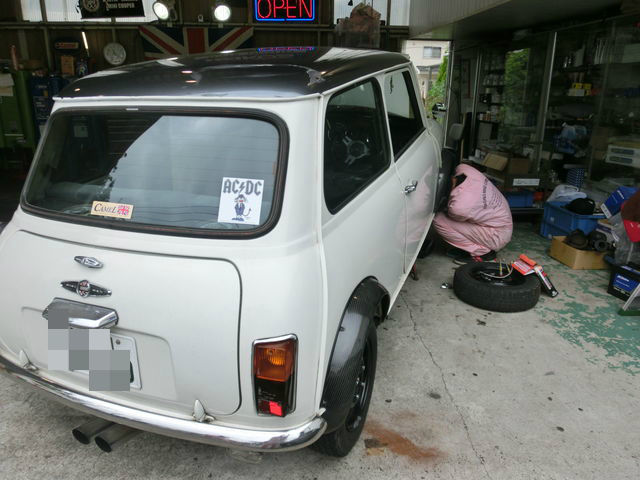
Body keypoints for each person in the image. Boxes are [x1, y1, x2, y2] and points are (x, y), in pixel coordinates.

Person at [433, 163, 513, 264]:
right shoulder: (464, 169)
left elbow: (453, 216)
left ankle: (483, 254)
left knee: (439, 220)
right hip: (502, 222)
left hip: (498, 235)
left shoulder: (459, 207)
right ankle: (472, 247)